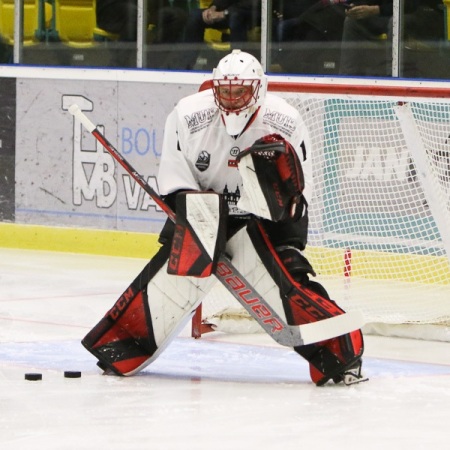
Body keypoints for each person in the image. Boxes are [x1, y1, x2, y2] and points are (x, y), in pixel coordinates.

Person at [81, 50, 367, 386]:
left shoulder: (285, 121)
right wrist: (199, 223)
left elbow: (299, 193)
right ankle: (122, 347)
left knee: (285, 285)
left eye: (239, 91)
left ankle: (339, 355)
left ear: (258, 89)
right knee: (171, 281)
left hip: (266, 220)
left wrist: (276, 205)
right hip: (202, 212)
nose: (231, 99)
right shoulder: (188, 115)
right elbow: (176, 179)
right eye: (225, 91)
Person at [178, 0, 261, 69]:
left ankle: (237, 68)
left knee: (235, 18)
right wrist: (213, 8)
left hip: (254, 13)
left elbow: (251, 3)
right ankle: (185, 67)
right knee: (195, 16)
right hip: (230, 13)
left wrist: (224, 13)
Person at [339, 0, 393, 76]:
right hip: (376, 16)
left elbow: (409, 6)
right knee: (350, 21)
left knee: (394, 23)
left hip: (401, 16)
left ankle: (393, 75)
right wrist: (354, 7)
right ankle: (347, 77)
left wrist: (377, 9)